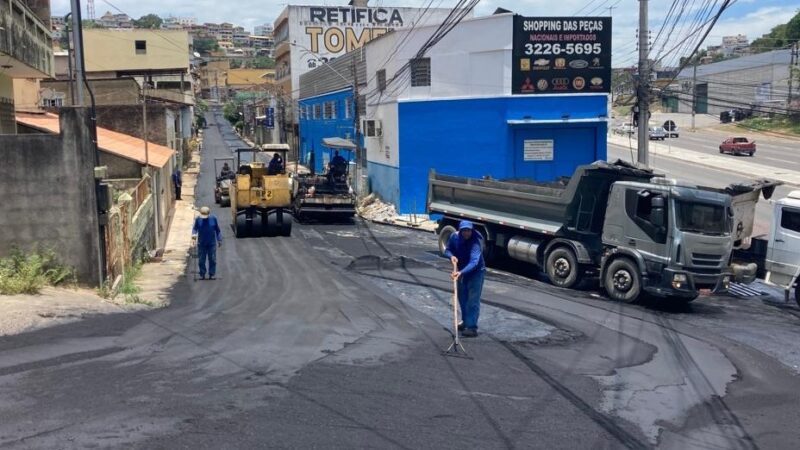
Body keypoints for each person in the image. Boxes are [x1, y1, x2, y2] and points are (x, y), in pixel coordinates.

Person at [443, 220, 485, 337]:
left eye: (468, 231)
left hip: (476, 272)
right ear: (460, 231)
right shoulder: (454, 237)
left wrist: (461, 272)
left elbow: (474, 262)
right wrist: (451, 257)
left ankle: (472, 327)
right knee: (462, 298)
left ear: (472, 231)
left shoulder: (475, 242)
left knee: (472, 300)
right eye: (464, 231)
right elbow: (448, 250)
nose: (466, 233)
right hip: (461, 271)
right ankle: (465, 321)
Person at [192, 206, 222, 280]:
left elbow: (217, 230)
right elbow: (195, 229)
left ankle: (211, 274)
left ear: (209, 214)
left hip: (211, 244)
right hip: (201, 244)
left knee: (212, 259)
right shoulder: (198, 219)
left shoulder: (213, 219)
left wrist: (219, 239)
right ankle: (202, 274)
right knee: (201, 260)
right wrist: (193, 238)